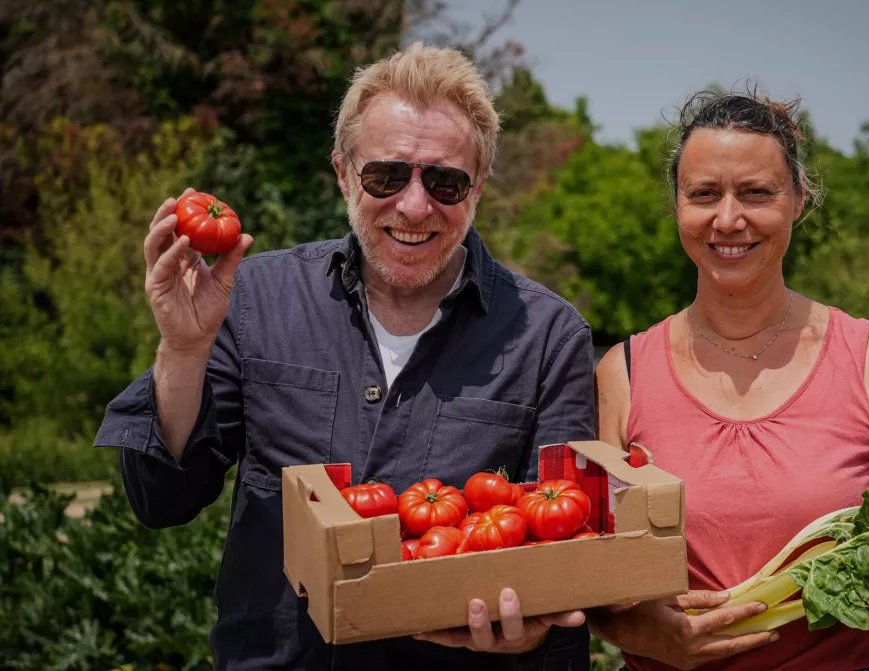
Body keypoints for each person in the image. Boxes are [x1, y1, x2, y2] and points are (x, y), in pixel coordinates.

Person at [95, 43, 595, 670]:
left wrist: (532, 632)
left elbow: (569, 552)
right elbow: (162, 501)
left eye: (445, 182)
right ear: (342, 172)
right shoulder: (252, 300)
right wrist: (182, 350)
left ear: (478, 189)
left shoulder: (548, 336)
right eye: (385, 176)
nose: (415, 207)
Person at [588, 89, 869, 671]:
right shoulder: (621, 375)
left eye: (756, 193)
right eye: (704, 194)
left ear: (798, 200)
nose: (729, 219)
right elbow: (590, 580)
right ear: (678, 205)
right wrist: (649, 635)